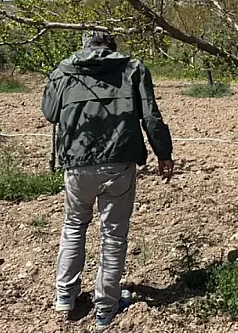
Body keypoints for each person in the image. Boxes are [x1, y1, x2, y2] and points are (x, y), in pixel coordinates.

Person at [42, 31, 174, 330]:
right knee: (113, 235)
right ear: (112, 47)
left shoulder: (64, 70)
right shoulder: (133, 68)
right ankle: (106, 307)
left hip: (76, 164)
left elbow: (50, 113)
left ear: (84, 47)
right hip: (118, 163)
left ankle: (65, 294)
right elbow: (150, 117)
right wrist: (163, 153)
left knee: (74, 225)